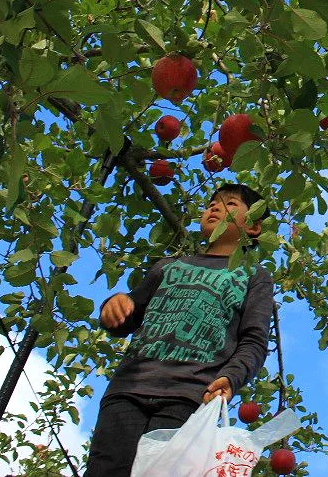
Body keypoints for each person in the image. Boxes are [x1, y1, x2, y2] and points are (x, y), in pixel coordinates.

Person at [84, 183, 275, 477]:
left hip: (191, 395)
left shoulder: (253, 276)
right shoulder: (169, 266)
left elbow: (254, 339)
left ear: (253, 227)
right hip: (129, 388)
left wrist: (232, 375)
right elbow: (130, 313)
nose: (214, 207)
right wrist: (115, 306)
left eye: (230, 204)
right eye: (211, 203)